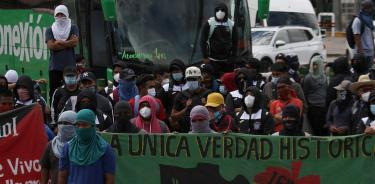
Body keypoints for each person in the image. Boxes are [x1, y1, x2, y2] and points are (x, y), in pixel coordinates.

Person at [58, 109, 115, 183]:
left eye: (84, 125)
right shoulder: (68, 148)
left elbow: (109, 179)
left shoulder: (104, 149)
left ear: (92, 126)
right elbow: (62, 176)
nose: (81, 128)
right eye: (78, 125)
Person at [46, 5, 79, 100]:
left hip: (70, 67)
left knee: (71, 91)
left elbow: (75, 42)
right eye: (58, 14)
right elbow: (51, 46)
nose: (60, 17)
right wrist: (68, 43)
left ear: (67, 14)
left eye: (62, 14)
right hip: (54, 68)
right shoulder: (50, 29)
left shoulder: (73, 27)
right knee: (54, 93)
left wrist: (59, 42)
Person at [201, 3, 238, 75]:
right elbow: (203, 41)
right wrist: (205, 56)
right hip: (212, 60)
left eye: (222, 10)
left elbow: (235, 42)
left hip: (227, 61)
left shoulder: (231, 24)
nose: (220, 12)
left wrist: (233, 57)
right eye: (218, 10)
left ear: (226, 12)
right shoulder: (209, 23)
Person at [40, 111, 77, 184]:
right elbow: (44, 168)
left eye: (66, 123)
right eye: (60, 123)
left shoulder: (82, 146)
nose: (63, 126)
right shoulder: (51, 145)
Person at [171, 66, 211, 132]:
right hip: (186, 132)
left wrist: (206, 107)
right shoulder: (181, 95)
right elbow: (173, 116)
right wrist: (186, 109)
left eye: (193, 79)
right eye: (189, 79)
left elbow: (215, 115)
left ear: (200, 79)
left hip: (206, 132)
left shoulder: (208, 94)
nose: (191, 81)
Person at [303, 55, 328, 136]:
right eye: (313, 64)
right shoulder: (308, 78)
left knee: (324, 129)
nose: (314, 66)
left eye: (317, 64)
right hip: (313, 107)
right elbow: (305, 93)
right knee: (315, 130)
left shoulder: (325, 77)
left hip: (323, 107)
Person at [352, 0, 375, 74]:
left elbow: (371, 35)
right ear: (365, 8)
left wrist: (373, 49)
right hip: (362, 54)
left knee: (368, 75)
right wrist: (361, 52)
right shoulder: (358, 20)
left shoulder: (369, 20)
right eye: (371, 8)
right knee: (361, 75)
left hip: (370, 53)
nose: (372, 10)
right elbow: (356, 36)